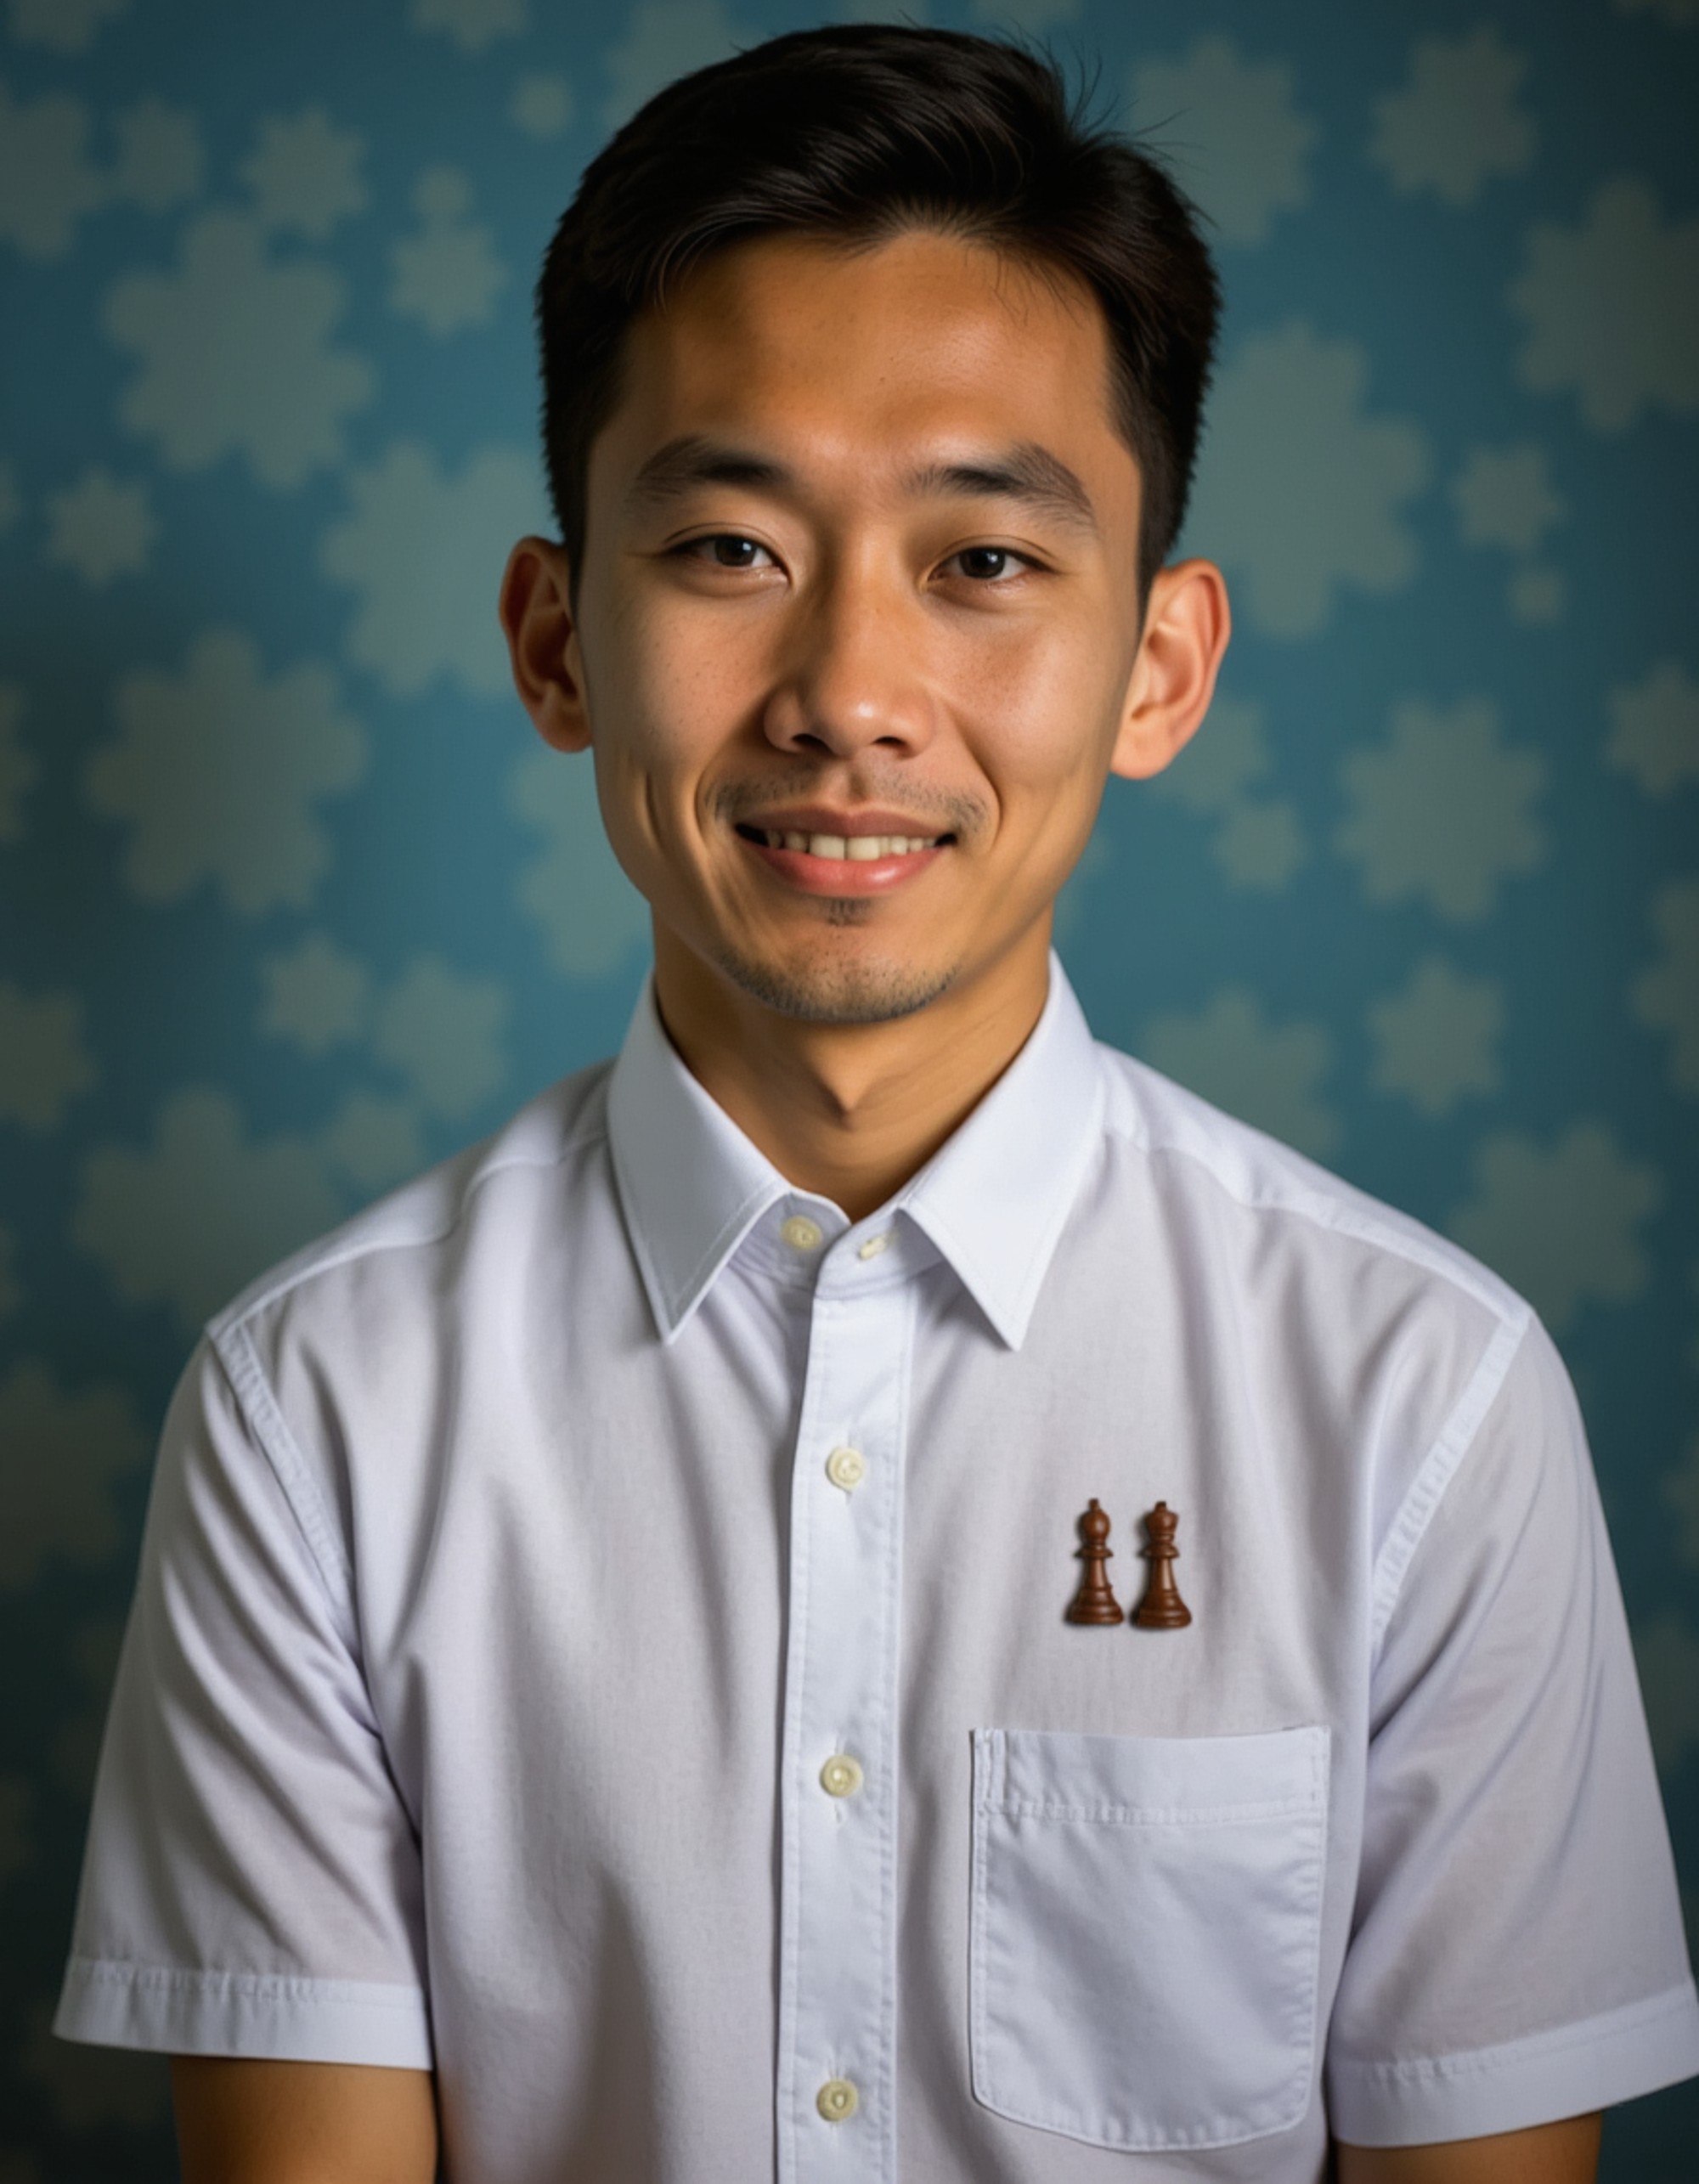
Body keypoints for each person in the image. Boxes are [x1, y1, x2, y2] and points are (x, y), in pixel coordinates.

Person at [54, 25, 1697, 2184]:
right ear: (557, 641)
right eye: (730, 545)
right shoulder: (313, 1408)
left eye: (985, 562)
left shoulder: (1424, 1401)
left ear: (1159, 668)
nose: (846, 694)